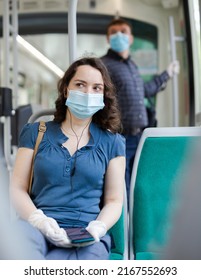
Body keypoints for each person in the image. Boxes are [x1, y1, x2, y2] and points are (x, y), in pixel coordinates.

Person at [10, 56, 126, 260]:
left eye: (96, 88)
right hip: (34, 226)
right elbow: (17, 188)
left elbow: (114, 200)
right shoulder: (35, 133)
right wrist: (39, 221)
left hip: (86, 233)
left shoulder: (113, 142)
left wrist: (98, 228)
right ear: (66, 89)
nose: (88, 93)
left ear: (103, 95)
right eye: (80, 85)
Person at [101, 18, 180, 202]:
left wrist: (166, 74)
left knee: (140, 186)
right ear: (107, 39)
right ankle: (124, 229)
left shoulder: (132, 66)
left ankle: (138, 226)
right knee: (122, 189)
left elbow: (145, 91)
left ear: (131, 38)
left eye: (123, 31)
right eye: (114, 32)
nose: (119, 35)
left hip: (140, 137)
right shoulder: (103, 65)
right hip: (119, 137)